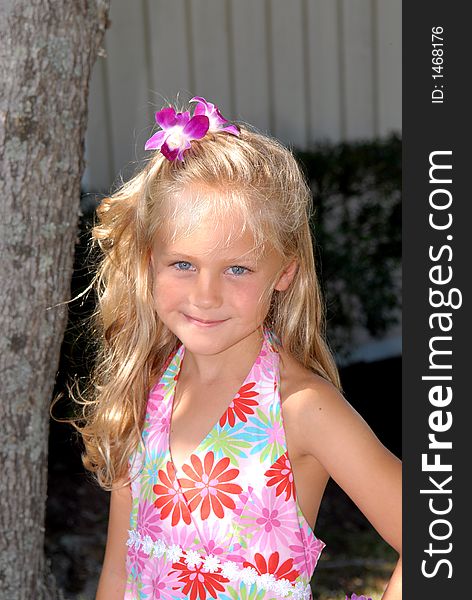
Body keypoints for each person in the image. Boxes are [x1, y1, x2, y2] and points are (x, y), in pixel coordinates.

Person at [76, 96, 401, 599]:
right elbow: (119, 568)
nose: (206, 295)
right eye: (183, 264)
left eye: (237, 269)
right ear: (149, 261)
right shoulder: (147, 388)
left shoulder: (301, 408)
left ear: (284, 272)